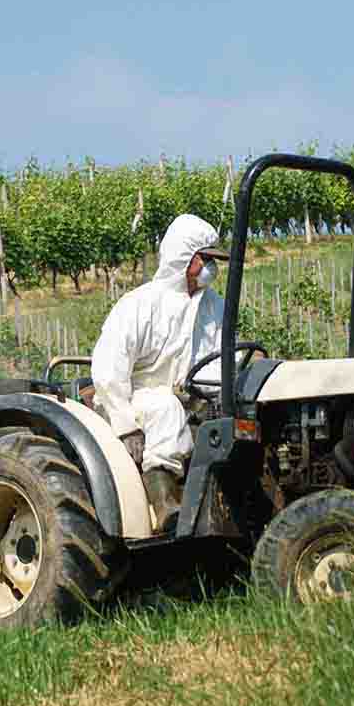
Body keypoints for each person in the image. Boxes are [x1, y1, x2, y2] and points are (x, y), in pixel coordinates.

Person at [89, 213, 234, 528]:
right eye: (206, 259)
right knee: (165, 407)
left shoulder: (215, 306)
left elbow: (221, 364)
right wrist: (125, 424)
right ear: (184, 257)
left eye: (214, 261)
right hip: (132, 401)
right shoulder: (140, 305)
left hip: (185, 398)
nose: (212, 268)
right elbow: (108, 370)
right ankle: (165, 505)